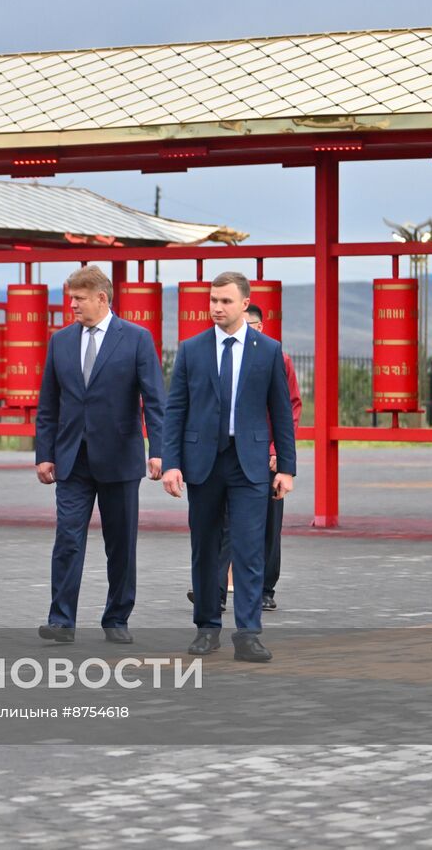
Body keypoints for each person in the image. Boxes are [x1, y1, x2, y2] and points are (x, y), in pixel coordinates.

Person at [162, 272, 296, 663]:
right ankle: (206, 628)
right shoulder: (191, 350)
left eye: (224, 301)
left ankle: (249, 633)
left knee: (249, 548)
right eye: (212, 300)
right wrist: (171, 463)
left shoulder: (268, 351)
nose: (216, 307)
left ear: (244, 304)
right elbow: (176, 411)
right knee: (204, 547)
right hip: (203, 463)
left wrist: (285, 467)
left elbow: (281, 413)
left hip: (250, 464)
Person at [34, 266, 165, 645]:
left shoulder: (137, 339)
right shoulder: (60, 342)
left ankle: (117, 617)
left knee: (120, 543)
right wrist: (45, 453)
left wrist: (158, 452)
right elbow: (49, 403)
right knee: (68, 539)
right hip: (72, 459)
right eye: (70, 297)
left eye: (78, 298)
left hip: (120, 459)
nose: (71, 304)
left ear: (102, 299)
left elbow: (155, 401)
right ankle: (61, 621)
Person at [201, 304, 303, 612]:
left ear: (260, 326)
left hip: (267, 457)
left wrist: (276, 453)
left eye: (253, 325)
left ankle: (265, 589)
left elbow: (289, 411)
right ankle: (215, 588)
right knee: (225, 524)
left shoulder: (277, 359)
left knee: (269, 525)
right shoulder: (219, 357)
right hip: (228, 457)